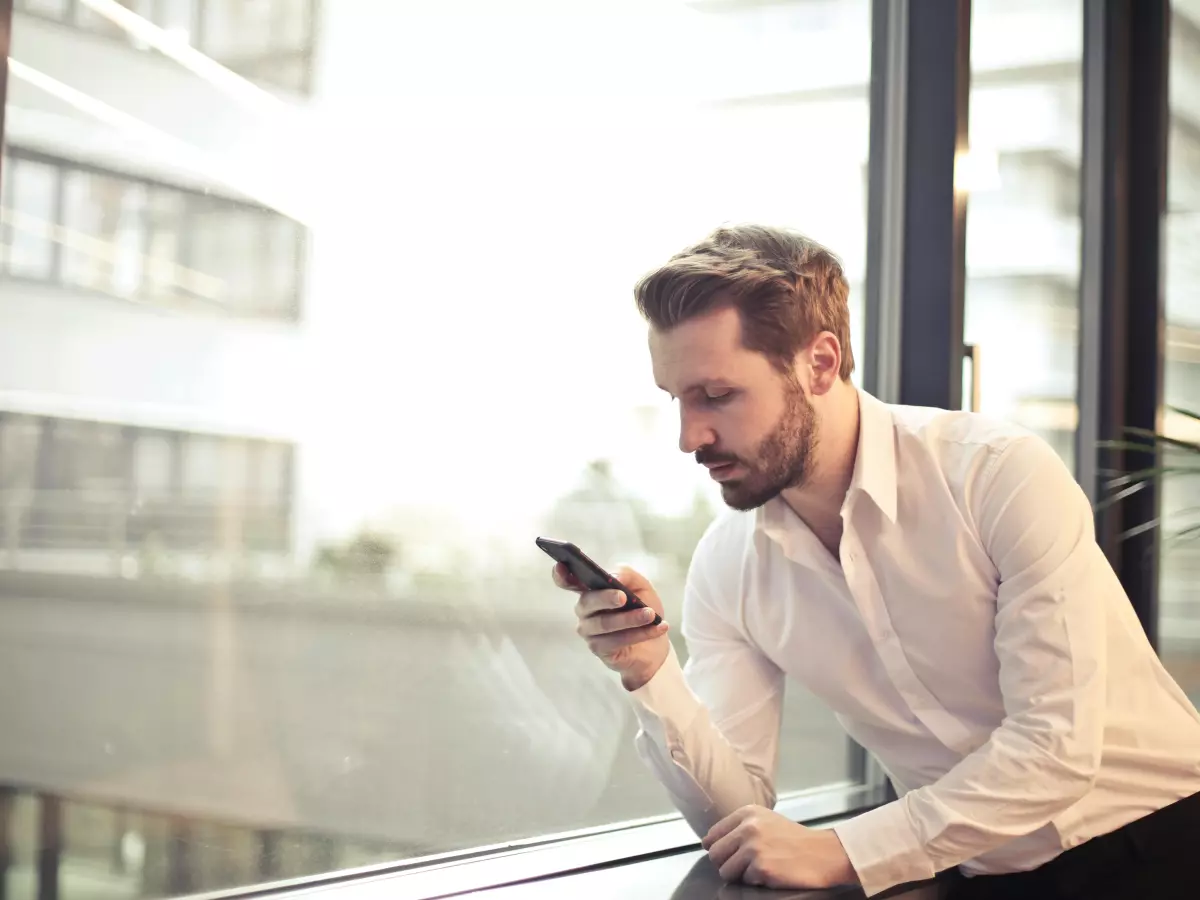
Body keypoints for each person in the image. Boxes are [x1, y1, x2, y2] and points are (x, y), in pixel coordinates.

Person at [550, 224, 1200, 899]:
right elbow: (739, 820)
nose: (690, 436)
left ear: (820, 363)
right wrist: (651, 674)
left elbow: (1056, 749)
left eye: (717, 396)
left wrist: (847, 849)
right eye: (676, 399)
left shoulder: (997, 476)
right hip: (972, 875)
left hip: (1163, 843)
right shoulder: (729, 565)